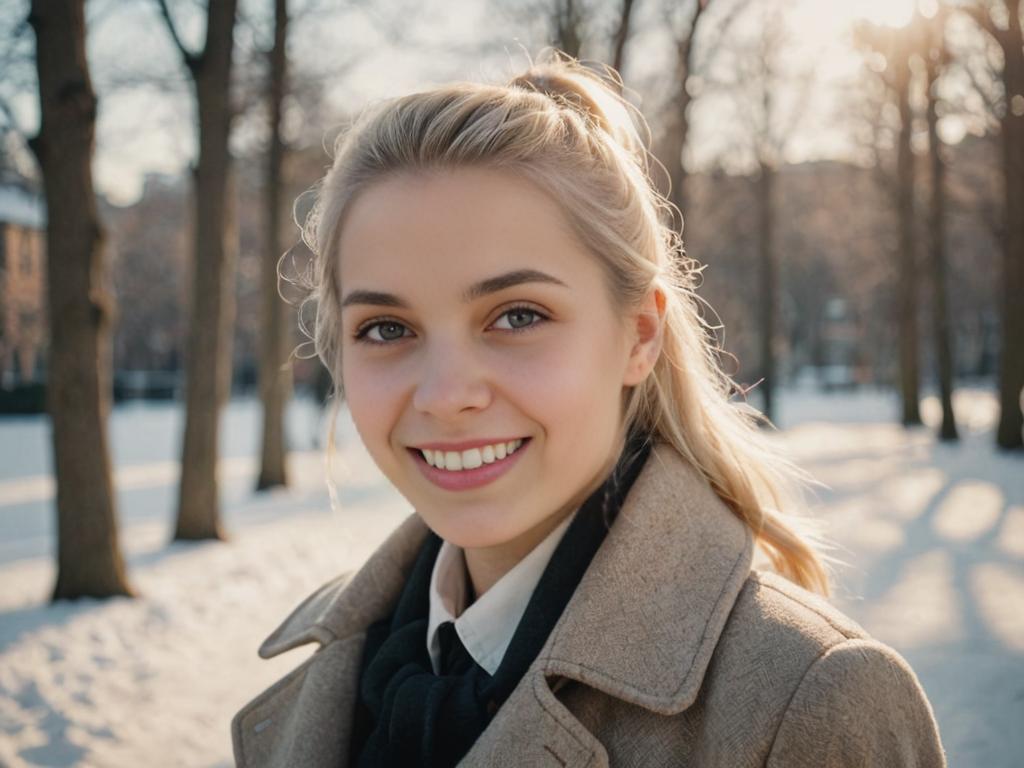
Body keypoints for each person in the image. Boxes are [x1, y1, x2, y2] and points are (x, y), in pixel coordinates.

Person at [231, 51, 946, 767]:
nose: (447, 395)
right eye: (386, 329)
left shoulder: (812, 702)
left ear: (639, 334)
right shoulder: (335, 675)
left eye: (515, 316)